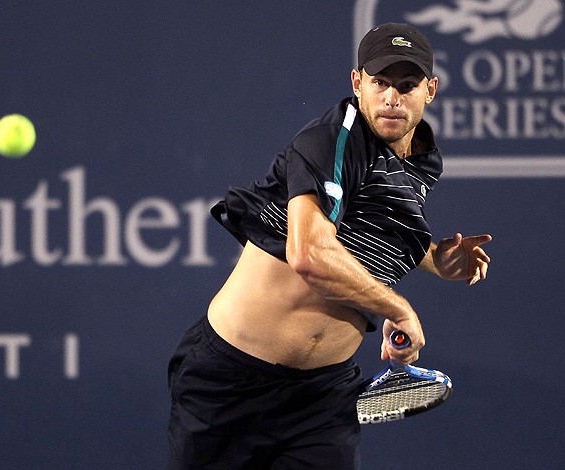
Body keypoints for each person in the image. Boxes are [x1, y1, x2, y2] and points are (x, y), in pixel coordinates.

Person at [168, 22, 491, 469]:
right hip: (230, 384)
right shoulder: (328, 141)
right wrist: (398, 309)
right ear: (358, 82)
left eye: (407, 84)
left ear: (430, 90)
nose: (392, 98)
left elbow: (372, 230)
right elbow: (310, 255)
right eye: (380, 83)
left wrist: (437, 260)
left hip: (323, 399)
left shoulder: (422, 163)